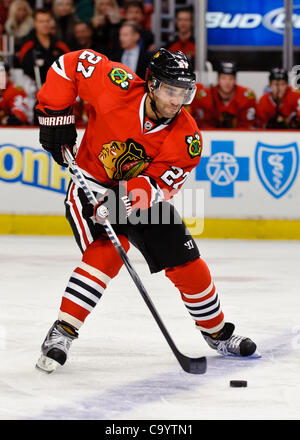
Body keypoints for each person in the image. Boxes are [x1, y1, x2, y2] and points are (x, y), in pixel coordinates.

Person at [34, 48, 258, 373]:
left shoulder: (188, 138)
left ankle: (217, 332)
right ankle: (62, 331)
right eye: (170, 90)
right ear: (151, 84)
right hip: (91, 186)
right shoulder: (115, 86)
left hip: (140, 198)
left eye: (183, 92)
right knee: (110, 249)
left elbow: (164, 183)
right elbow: (69, 65)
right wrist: (56, 113)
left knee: (187, 261)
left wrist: (139, 192)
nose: (176, 100)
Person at [189, 61, 257, 129]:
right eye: (223, 78)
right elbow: (203, 125)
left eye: (231, 78)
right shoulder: (205, 96)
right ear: (218, 79)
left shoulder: (246, 96)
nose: (227, 82)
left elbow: (247, 126)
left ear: (235, 80)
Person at [18, 8, 69, 88]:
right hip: (34, 89)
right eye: (41, 21)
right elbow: (23, 69)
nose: (45, 24)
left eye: (47, 21)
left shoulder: (59, 45)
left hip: (59, 87)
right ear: (35, 23)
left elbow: (69, 65)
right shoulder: (27, 45)